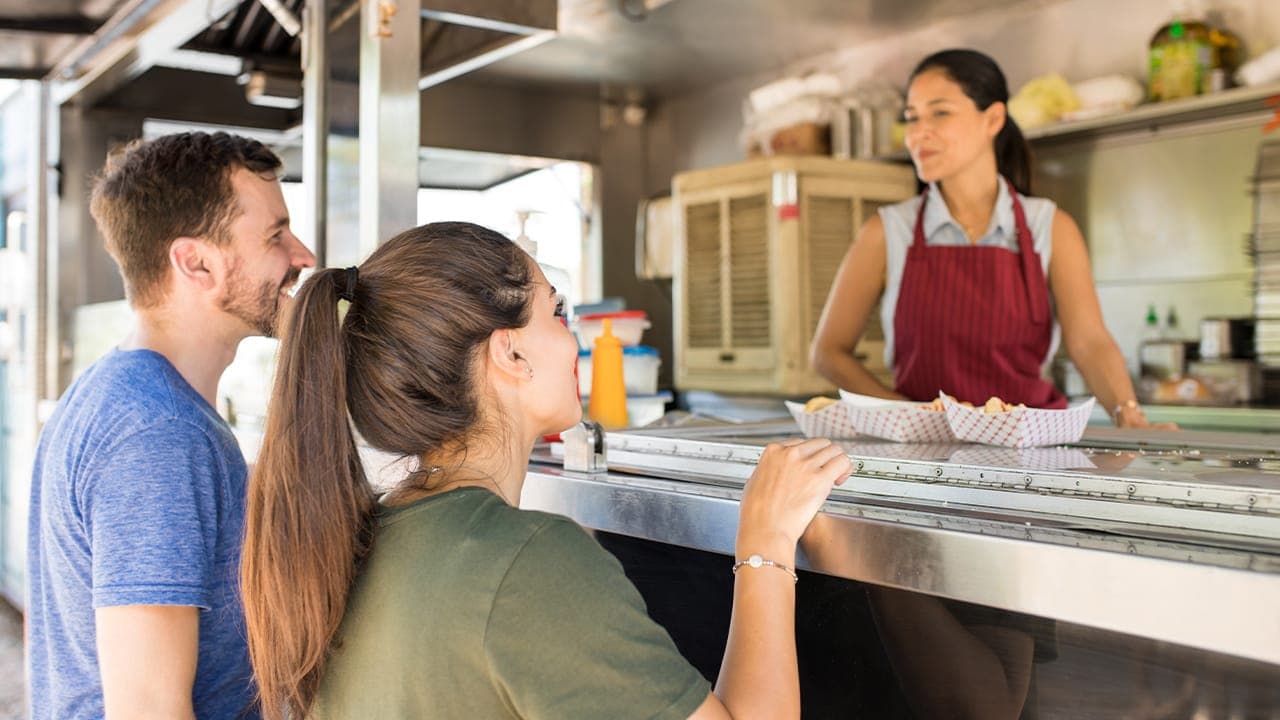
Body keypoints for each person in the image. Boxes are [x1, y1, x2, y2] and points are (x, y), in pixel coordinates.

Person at [240, 221, 853, 720]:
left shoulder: (353, 543)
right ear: (510, 353)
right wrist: (766, 543)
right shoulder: (526, 564)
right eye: (555, 315)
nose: (572, 341)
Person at [26, 131, 316, 719]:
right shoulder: (157, 434)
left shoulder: (124, 396)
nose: (303, 255)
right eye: (275, 235)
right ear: (197, 263)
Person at [811, 48, 1166, 429]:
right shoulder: (886, 232)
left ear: (993, 118)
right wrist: (906, 414)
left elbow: (1089, 342)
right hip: (925, 457)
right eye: (912, 118)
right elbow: (829, 353)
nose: (918, 133)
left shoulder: (1050, 227)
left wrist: (1128, 414)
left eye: (940, 112)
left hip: (1031, 448)